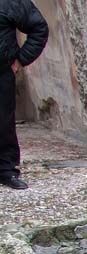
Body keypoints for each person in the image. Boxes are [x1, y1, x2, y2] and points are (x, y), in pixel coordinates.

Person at [0, 0, 48, 190]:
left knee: (3, 123)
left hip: (1, 73)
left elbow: (39, 28)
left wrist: (21, 59)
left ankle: (6, 171)